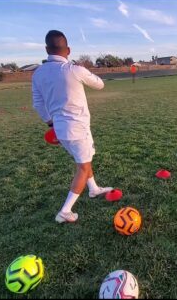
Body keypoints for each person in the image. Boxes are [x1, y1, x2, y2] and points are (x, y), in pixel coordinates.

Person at [32, 30, 113, 224]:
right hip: (78, 128)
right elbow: (100, 84)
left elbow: (38, 103)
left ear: (46, 49)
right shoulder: (74, 69)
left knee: (83, 160)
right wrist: (83, 69)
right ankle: (65, 211)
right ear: (68, 50)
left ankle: (93, 189)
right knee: (83, 167)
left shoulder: (38, 73)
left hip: (60, 129)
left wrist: (50, 123)